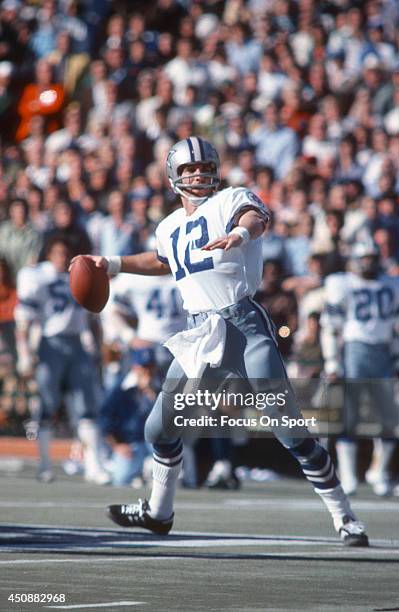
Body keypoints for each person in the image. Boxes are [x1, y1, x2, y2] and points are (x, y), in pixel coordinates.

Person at [71, 137, 368, 546]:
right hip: (200, 334)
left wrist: (240, 237)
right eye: (189, 169)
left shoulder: (232, 199)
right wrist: (115, 264)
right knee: (158, 429)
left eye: (203, 167)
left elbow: (254, 218)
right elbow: (164, 260)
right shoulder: (169, 225)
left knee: (290, 430)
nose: (197, 174)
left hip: (243, 327)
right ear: (174, 176)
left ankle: (345, 516)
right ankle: (159, 513)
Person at [15, 237, 107, 484]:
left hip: (76, 343)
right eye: (57, 253)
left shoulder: (76, 274)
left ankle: (92, 465)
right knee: (47, 404)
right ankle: (44, 464)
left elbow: (92, 316)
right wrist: (24, 351)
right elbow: (24, 316)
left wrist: (96, 346)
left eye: (65, 253)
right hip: (50, 344)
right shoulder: (37, 276)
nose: (62, 258)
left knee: (86, 405)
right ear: (49, 254)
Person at [321, 241, 399, 496]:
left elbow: (395, 326)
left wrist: (396, 359)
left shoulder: (393, 284)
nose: (369, 262)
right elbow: (331, 327)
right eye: (364, 257)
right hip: (355, 350)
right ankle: (348, 475)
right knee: (350, 415)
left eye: (372, 257)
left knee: (389, 418)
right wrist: (332, 361)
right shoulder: (342, 283)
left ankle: (379, 472)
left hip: (382, 352)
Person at [100, 346, 157, 487]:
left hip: (155, 446)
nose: (147, 371)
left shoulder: (161, 386)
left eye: (150, 367)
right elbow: (105, 420)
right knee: (120, 479)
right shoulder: (121, 388)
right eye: (144, 367)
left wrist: (150, 393)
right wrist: (117, 445)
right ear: (135, 367)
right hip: (130, 445)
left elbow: (167, 419)